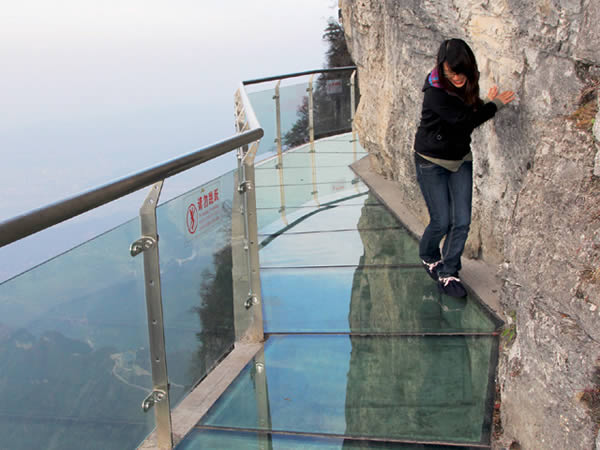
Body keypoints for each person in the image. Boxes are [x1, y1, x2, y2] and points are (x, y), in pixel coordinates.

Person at [413, 38, 515, 298]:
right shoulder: (435, 92)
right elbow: (462, 121)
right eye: (451, 73)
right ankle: (428, 254)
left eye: (461, 72)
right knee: (442, 221)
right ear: (442, 68)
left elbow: (466, 109)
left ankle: (448, 273)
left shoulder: (468, 80)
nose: (457, 77)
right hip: (431, 160)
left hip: (460, 158)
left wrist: (482, 102)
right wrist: (494, 105)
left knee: (462, 221)